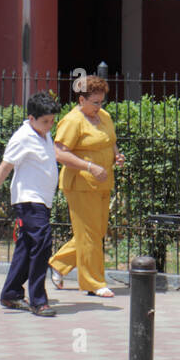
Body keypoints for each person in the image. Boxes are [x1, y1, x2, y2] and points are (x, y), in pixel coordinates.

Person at [0, 91, 60, 317]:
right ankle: (39, 300)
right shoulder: (23, 137)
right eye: (45, 121)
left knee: (27, 247)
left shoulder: (43, 134)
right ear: (31, 118)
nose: (49, 126)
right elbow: (4, 168)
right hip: (29, 200)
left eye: (52, 121)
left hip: (42, 200)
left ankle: (11, 293)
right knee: (43, 243)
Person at [48, 76, 125, 298]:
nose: (99, 107)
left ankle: (58, 263)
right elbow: (59, 152)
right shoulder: (73, 120)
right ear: (82, 99)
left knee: (96, 232)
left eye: (102, 102)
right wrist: (89, 166)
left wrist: (117, 157)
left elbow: (111, 141)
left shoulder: (104, 117)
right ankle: (93, 282)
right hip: (80, 184)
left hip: (102, 182)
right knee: (90, 234)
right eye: (95, 102)